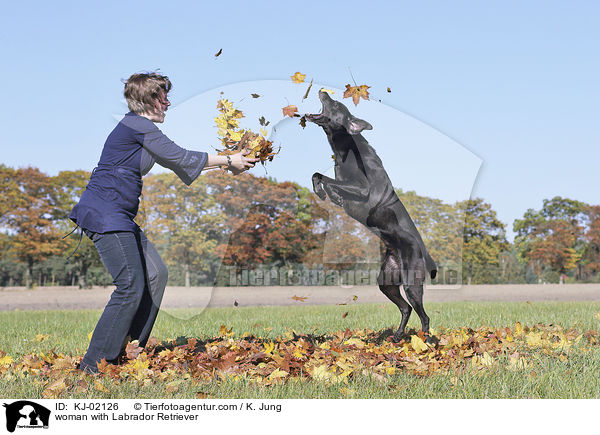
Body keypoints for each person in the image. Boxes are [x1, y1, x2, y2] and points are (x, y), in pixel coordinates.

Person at [69, 72, 258, 373]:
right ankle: (93, 365)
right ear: (147, 100)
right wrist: (228, 159)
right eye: (162, 97)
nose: (168, 102)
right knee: (130, 284)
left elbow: (177, 162)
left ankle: (129, 349)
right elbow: (181, 156)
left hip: (119, 215)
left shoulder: (141, 130)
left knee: (156, 273)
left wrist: (229, 163)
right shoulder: (136, 125)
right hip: (105, 213)